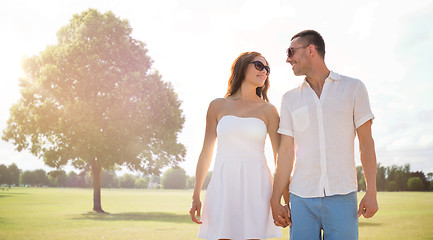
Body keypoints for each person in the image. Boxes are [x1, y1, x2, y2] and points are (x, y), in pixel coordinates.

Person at [270, 30, 379, 240]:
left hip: (343, 196)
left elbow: (366, 144)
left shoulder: (354, 88)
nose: (287, 58)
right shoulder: (289, 99)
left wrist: (372, 191)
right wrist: (276, 200)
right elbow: (285, 153)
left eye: (291, 51)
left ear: (311, 50)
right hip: (301, 199)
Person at [189, 51, 282, 240]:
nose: (264, 71)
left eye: (267, 68)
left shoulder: (269, 110)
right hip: (224, 183)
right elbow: (206, 152)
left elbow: (280, 157)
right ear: (241, 67)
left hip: (258, 185)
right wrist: (196, 194)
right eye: (258, 65)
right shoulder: (217, 106)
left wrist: (283, 198)